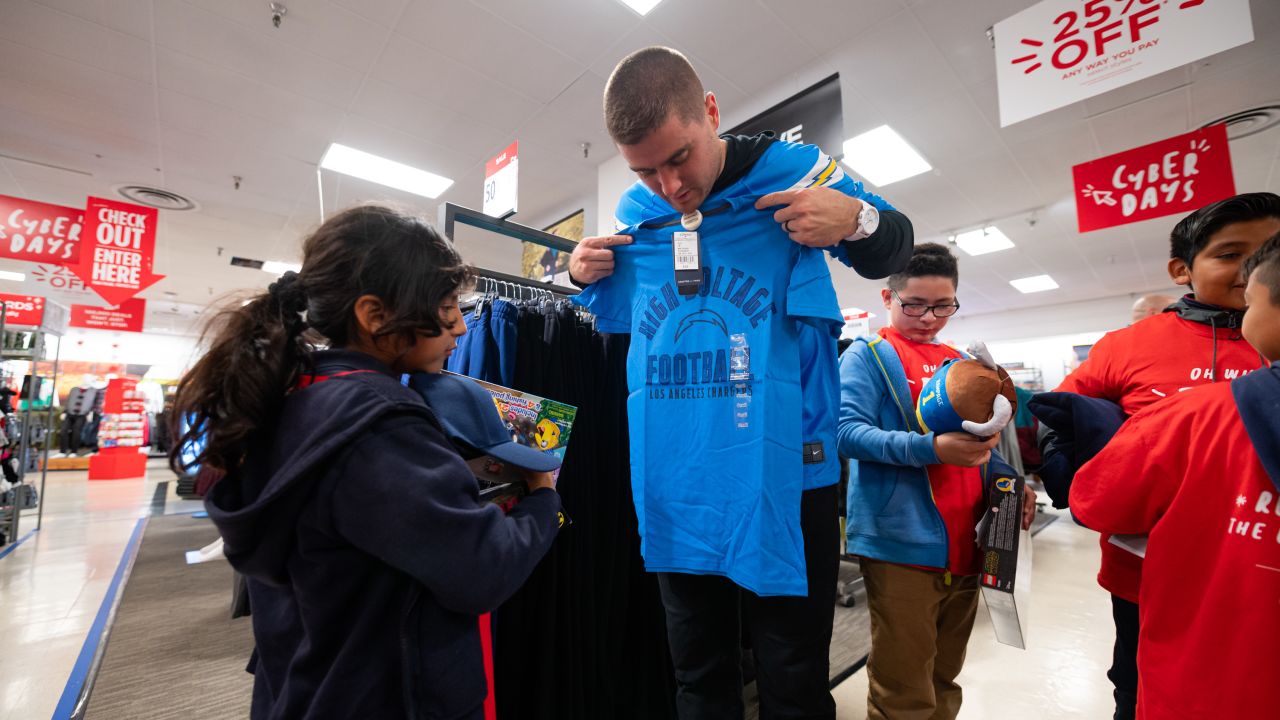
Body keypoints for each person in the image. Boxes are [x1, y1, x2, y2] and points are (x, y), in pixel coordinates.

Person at [569, 47, 913, 720]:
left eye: (678, 158)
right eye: (645, 169)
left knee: (792, 674)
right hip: (679, 477)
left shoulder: (799, 172)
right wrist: (578, 278)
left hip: (789, 474)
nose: (669, 185)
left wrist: (855, 221)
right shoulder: (639, 214)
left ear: (712, 114)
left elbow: (897, 243)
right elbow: (605, 308)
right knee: (698, 672)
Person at [170, 205, 563, 720]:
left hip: (307, 683)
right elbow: (482, 569)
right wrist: (543, 497)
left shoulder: (294, 399)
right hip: (390, 694)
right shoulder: (380, 427)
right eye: (446, 309)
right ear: (375, 315)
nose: (463, 330)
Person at [1043, 192, 1278, 720]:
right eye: (1231, 254)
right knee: (1139, 681)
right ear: (1182, 269)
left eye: (1270, 252)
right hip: (1146, 571)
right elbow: (1067, 416)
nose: (1255, 268)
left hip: (1261, 566)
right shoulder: (1130, 344)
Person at [837, 243, 1036, 720]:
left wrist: (1010, 483)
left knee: (945, 676)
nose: (929, 317)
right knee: (902, 688)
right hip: (901, 544)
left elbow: (986, 445)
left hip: (971, 540)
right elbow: (845, 433)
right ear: (888, 297)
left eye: (942, 305)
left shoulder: (959, 361)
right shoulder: (869, 355)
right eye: (915, 305)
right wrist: (930, 449)